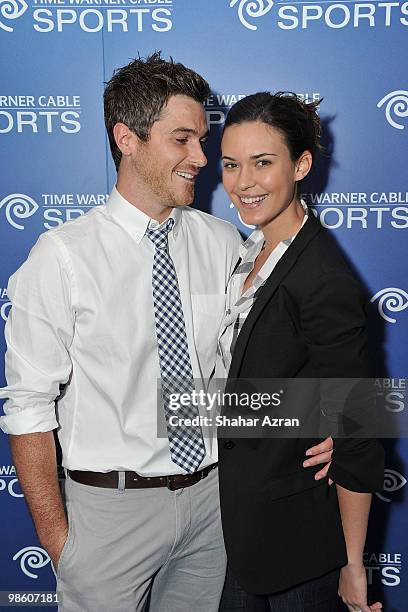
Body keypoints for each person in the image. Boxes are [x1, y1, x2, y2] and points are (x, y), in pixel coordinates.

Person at [0, 56, 333, 611]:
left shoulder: (225, 241)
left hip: (212, 506)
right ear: (126, 138)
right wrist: (63, 549)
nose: (202, 158)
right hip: (109, 512)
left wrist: (326, 418)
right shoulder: (61, 258)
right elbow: (28, 408)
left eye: (202, 139)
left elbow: (245, 375)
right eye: (183, 139)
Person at [216, 92, 385, 612]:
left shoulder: (320, 274)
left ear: (302, 164)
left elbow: (360, 425)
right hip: (243, 524)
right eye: (231, 165)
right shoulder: (253, 248)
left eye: (263, 163)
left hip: (296, 541)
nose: (244, 182)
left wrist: (353, 566)